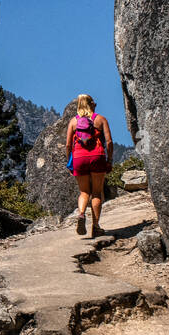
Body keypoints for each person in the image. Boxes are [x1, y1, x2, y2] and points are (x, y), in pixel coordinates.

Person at [66, 94, 113, 237]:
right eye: (94, 102)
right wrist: (109, 160)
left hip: (79, 158)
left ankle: (81, 214)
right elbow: (109, 142)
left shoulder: (73, 121)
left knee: (84, 192)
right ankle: (96, 226)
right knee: (97, 193)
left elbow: (68, 145)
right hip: (97, 156)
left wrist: (70, 162)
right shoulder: (100, 119)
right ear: (91, 104)